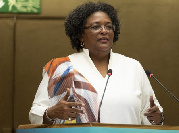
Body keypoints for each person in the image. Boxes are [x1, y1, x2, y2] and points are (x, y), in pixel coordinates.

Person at [29, 2, 164, 125]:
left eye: (109, 27)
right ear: (80, 35)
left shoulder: (133, 67)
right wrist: (51, 113)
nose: (104, 31)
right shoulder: (62, 67)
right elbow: (35, 113)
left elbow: (150, 115)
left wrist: (157, 118)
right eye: (95, 27)